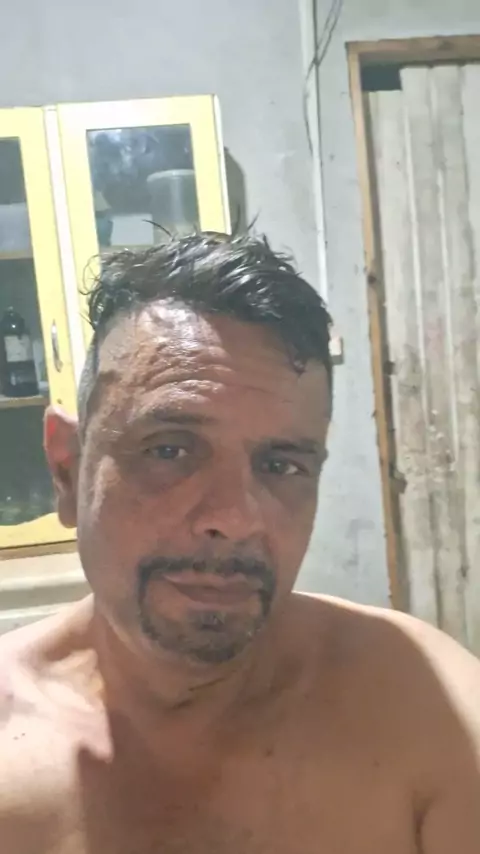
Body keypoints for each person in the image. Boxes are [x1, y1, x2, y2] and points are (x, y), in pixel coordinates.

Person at [1, 233, 479, 854]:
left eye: (282, 465)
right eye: (169, 451)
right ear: (67, 470)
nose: (233, 518)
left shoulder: (424, 712)